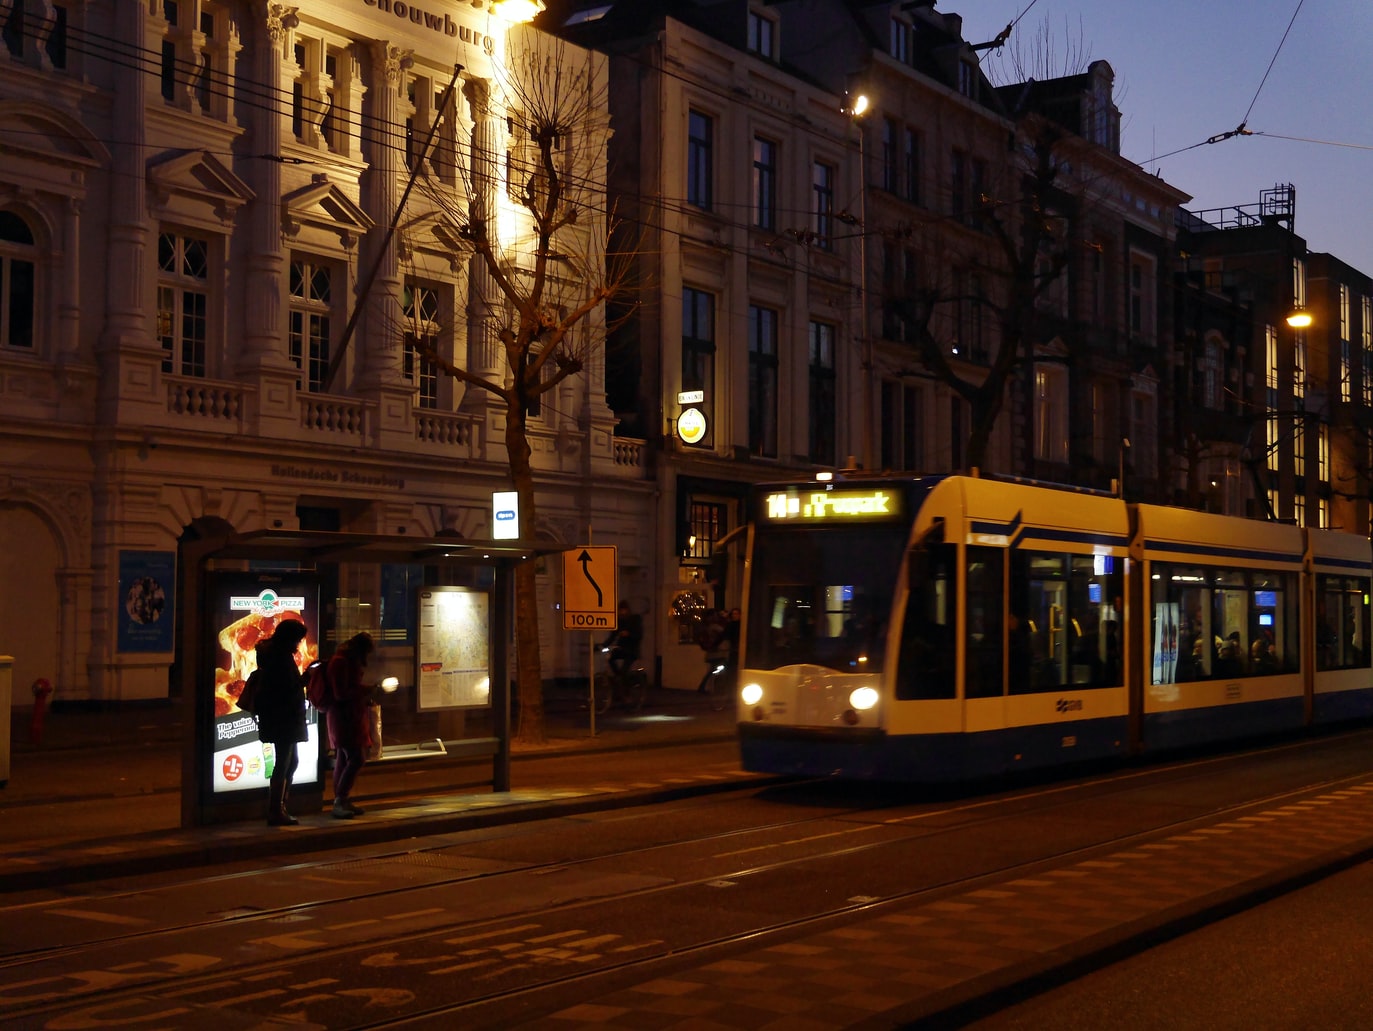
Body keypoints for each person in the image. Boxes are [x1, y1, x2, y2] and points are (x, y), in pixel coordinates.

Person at [251, 618, 310, 827]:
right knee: (284, 761)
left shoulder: (274, 655)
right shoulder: (280, 658)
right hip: (283, 718)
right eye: (297, 639)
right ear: (290, 639)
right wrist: (305, 680)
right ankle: (276, 810)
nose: (299, 643)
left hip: (279, 717)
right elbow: (285, 689)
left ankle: (280, 807)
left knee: (290, 761)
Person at [326, 632, 375, 819]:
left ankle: (341, 800)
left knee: (344, 759)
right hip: (344, 718)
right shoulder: (341, 662)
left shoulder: (343, 659)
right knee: (356, 758)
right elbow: (341, 693)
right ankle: (340, 799)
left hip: (349, 716)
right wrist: (364, 690)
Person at [600, 602, 643, 681]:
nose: (622, 612)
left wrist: (628, 634)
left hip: (632, 650)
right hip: (622, 649)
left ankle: (624, 684)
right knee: (610, 658)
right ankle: (618, 677)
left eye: (623, 610)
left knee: (625, 669)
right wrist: (603, 645)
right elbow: (613, 636)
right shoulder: (619, 621)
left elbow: (639, 634)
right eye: (620, 610)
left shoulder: (635, 619)